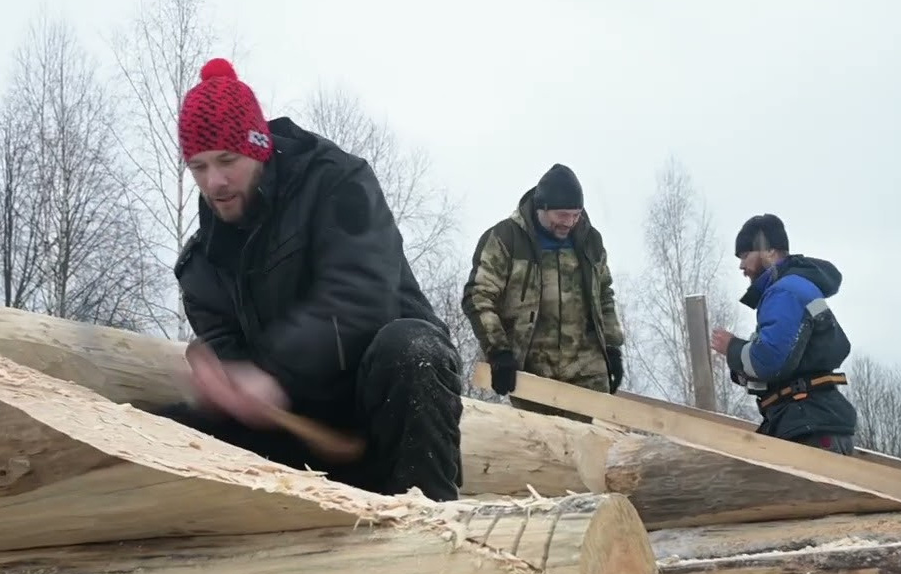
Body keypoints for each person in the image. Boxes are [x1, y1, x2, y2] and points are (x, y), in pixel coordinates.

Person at [153, 57, 464, 501]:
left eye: (227, 160)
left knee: (411, 347)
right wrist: (227, 380)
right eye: (198, 167)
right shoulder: (201, 263)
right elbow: (224, 342)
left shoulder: (338, 182)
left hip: (382, 413)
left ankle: (434, 527)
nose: (215, 182)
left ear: (258, 146)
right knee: (162, 431)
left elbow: (360, 299)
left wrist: (272, 373)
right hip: (302, 434)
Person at [461, 164, 625, 422]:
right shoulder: (505, 239)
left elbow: (604, 294)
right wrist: (498, 352)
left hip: (587, 370)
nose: (569, 223)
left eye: (576, 215)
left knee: (595, 449)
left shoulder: (590, 240)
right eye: (562, 215)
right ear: (543, 208)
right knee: (543, 452)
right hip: (533, 372)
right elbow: (478, 296)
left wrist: (613, 348)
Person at [711, 214, 858, 454]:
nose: (741, 266)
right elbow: (784, 364)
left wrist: (732, 348)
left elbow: (769, 360)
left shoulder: (785, 292)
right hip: (807, 419)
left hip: (807, 424)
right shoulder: (793, 288)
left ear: (769, 251)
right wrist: (740, 368)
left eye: (746, 255)